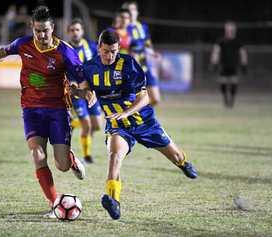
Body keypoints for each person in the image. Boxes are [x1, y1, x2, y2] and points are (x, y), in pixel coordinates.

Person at [0, 6, 93, 218]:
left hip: (58, 111)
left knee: (62, 166)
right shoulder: (23, 44)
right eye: (37, 30)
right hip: (31, 110)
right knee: (37, 155)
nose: (41, 35)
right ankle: (54, 203)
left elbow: (80, 78)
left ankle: (71, 160)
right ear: (32, 27)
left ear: (53, 29)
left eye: (45, 31)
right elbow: (2, 51)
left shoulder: (65, 52)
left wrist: (85, 92)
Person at [75, 29, 198, 220]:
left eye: (114, 51)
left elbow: (145, 98)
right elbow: (81, 91)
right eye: (106, 51)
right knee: (115, 157)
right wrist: (83, 94)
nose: (110, 55)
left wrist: (126, 112)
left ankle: (183, 163)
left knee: (175, 156)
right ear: (99, 48)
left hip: (145, 122)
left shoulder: (128, 64)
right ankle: (113, 200)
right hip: (118, 126)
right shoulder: (89, 68)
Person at [67, 18, 102, 164]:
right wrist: (71, 82)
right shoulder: (65, 50)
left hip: (91, 91)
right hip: (76, 93)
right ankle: (87, 156)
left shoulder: (92, 47)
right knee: (87, 124)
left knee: (97, 126)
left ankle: (73, 123)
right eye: (72, 30)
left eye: (77, 30)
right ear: (68, 32)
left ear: (82, 31)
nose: (75, 33)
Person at [122, 1, 161, 106]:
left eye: (133, 9)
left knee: (156, 98)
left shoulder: (142, 27)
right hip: (131, 68)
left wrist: (153, 53)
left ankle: (142, 112)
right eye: (128, 10)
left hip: (144, 65)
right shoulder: (123, 29)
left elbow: (147, 44)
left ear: (137, 12)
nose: (131, 12)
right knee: (133, 99)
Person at [210, 21, 248, 108]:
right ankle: (225, 99)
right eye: (228, 29)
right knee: (223, 83)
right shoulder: (220, 41)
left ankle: (232, 101)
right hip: (223, 65)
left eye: (231, 29)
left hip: (234, 65)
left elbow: (243, 53)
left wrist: (244, 65)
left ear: (234, 30)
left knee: (234, 83)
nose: (230, 31)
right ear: (225, 30)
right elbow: (216, 52)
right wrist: (214, 63)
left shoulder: (238, 42)